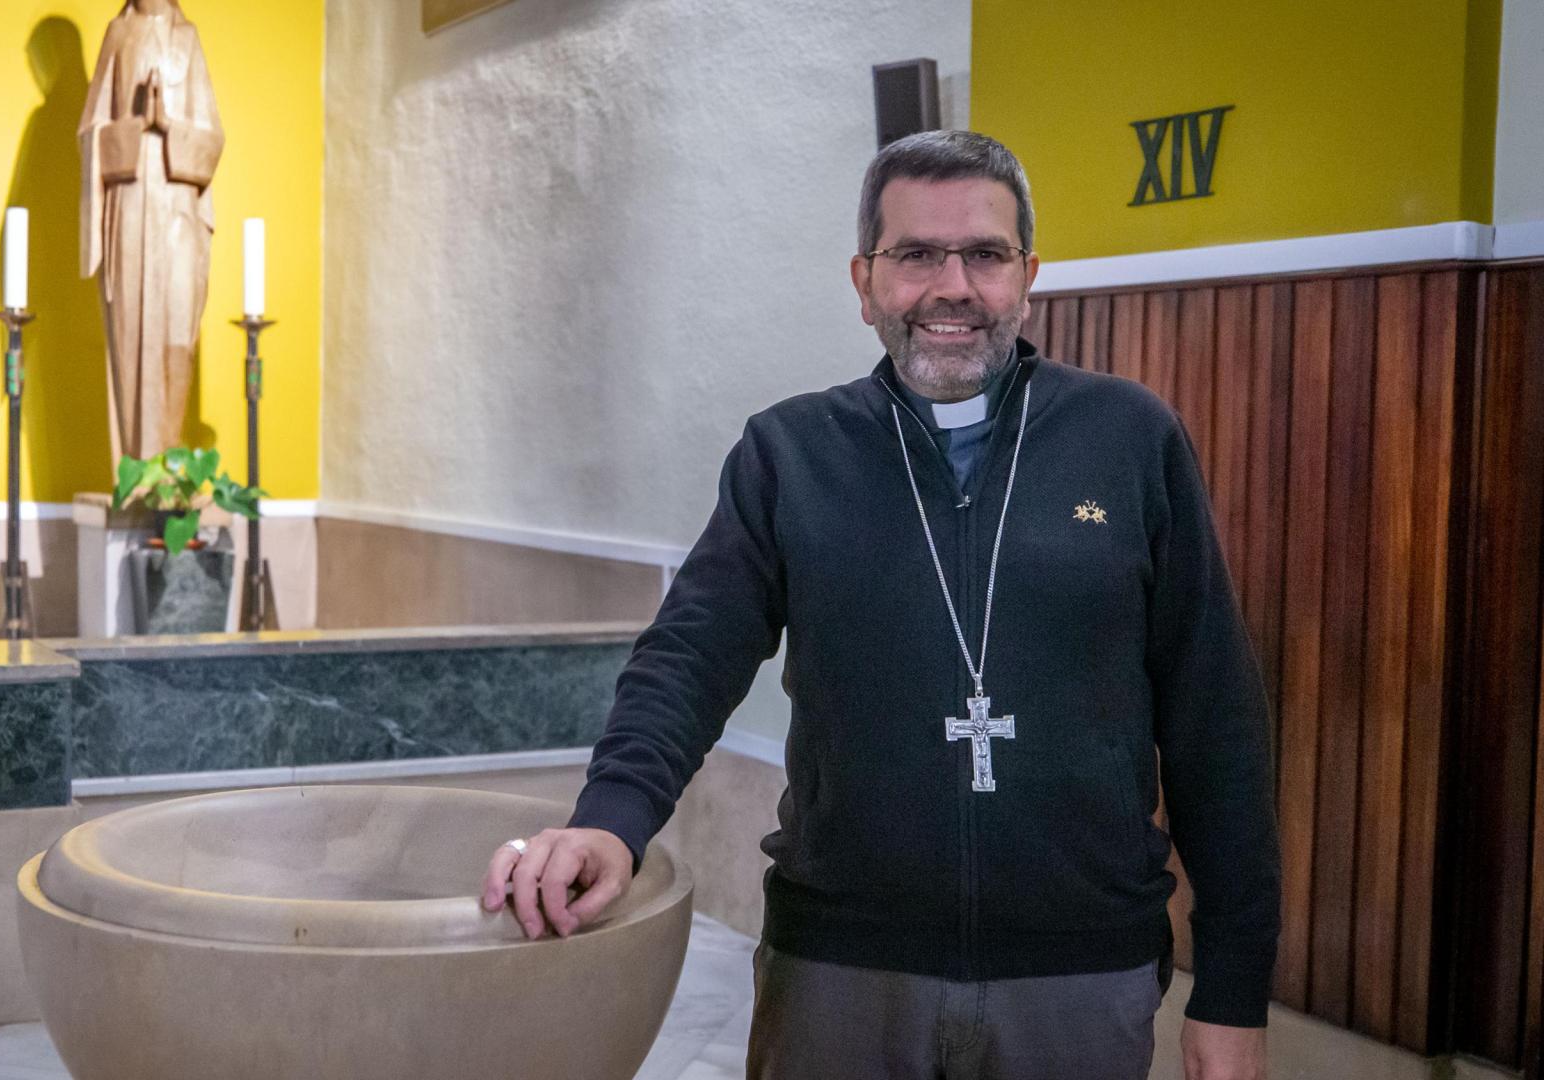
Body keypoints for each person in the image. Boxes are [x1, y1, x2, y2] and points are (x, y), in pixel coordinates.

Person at [479, 130, 1279, 1080]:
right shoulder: (790, 454)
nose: (953, 287)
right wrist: (612, 816)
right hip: (839, 971)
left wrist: (1232, 990)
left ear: (1028, 275)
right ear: (865, 282)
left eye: (984, 254)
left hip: (1077, 973)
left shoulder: (1130, 439)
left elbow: (1214, 720)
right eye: (915, 255)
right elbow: (691, 653)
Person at [78, 0, 224, 461]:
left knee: (178, 332)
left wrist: (169, 126)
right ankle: (136, 467)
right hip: (132, 205)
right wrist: (135, 127)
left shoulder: (188, 38)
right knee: (130, 331)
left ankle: (170, 461)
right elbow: (90, 133)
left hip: (178, 210)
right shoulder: (118, 36)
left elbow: (213, 139)